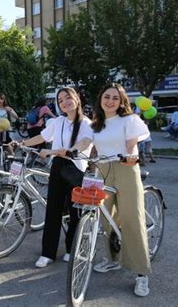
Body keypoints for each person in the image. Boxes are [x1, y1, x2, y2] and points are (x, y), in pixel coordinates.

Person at [19, 87, 93, 268]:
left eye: (68, 98)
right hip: (58, 166)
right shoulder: (58, 121)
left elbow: (83, 144)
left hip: (76, 169)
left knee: (75, 212)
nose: (64, 102)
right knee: (53, 209)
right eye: (60, 100)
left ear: (77, 99)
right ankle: (48, 252)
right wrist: (21, 143)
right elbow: (41, 137)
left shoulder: (86, 124)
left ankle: (71, 248)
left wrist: (65, 151)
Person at [90, 83, 152, 297]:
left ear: (121, 101)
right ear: (100, 99)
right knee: (106, 218)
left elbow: (131, 143)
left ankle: (142, 273)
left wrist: (131, 154)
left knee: (131, 219)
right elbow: (86, 144)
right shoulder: (96, 123)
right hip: (103, 169)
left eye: (115, 98)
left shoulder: (129, 120)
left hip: (125, 167)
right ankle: (112, 259)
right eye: (106, 96)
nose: (110, 101)